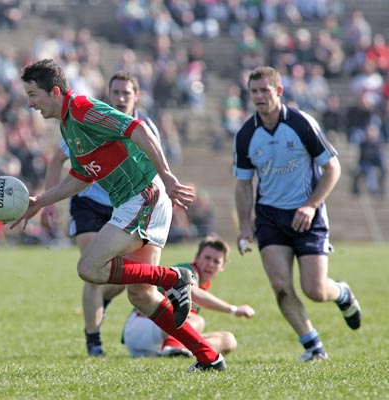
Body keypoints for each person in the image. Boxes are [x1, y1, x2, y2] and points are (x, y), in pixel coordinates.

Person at [17, 58, 226, 372]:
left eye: (33, 95)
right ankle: (209, 356)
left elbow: (137, 127)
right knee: (141, 296)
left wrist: (167, 175)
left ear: (55, 91)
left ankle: (173, 277)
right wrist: (41, 201)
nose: (30, 103)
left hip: (143, 196)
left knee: (89, 267)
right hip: (138, 200)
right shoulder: (68, 122)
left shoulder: (83, 108)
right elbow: (82, 176)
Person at [233, 66, 362, 362]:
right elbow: (242, 184)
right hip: (269, 218)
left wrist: (311, 205)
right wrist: (243, 225)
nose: (259, 97)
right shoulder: (245, 134)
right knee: (280, 286)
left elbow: (333, 168)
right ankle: (313, 346)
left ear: (278, 91)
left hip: (308, 215)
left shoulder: (301, 123)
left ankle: (341, 293)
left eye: (264, 90)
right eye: (254, 91)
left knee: (315, 290)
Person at [40, 71, 160, 357]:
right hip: (89, 203)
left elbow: (154, 165)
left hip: (128, 203)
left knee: (124, 273)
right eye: (115, 93)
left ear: (136, 96)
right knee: (93, 265)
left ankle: (101, 303)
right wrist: (47, 201)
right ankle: (93, 340)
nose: (119, 98)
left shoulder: (147, 126)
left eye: (125, 93)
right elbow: (59, 158)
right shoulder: (92, 118)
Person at [122, 236, 255, 357]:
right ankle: (172, 346)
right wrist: (234, 309)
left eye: (216, 261)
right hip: (143, 326)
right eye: (207, 258)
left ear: (222, 267)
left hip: (157, 339)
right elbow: (193, 293)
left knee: (228, 340)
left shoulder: (203, 284)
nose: (210, 264)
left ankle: (177, 352)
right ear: (197, 257)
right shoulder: (187, 270)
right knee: (197, 321)